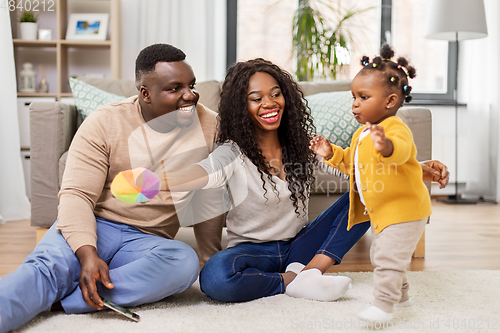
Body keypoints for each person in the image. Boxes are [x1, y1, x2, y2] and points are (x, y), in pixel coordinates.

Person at [160, 58, 449, 304]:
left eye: (275, 94)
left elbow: (359, 168)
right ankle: (293, 280)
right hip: (251, 252)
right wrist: (157, 181)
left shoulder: (302, 146)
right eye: (256, 98)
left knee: (367, 190)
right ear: (240, 106)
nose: (269, 103)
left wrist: (420, 168)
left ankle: (313, 270)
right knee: (215, 277)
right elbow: (202, 173)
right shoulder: (232, 152)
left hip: (300, 245)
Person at [0, 43, 224, 333]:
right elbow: (76, 195)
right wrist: (87, 253)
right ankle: (53, 286)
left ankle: (66, 299)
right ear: (145, 93)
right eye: (175, 88)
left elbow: (209, 192)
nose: (189, 96)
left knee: (183, 262)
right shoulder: (105, 122)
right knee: (45, 271)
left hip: (147, 240)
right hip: (96, 224)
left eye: (191, 85)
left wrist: (209, 258)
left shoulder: (210, 126)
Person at [310, 44, 431, 323]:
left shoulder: (394, 129)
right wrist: (331, 154)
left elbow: (401, 151)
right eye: (353, 97)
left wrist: (386, 146)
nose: (355, 104)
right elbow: (352, 166)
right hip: (384, 212)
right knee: (381, 255)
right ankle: (401, 298)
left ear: (389, 102)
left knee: (388, 257)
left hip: (406, 211)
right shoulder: (362, 133)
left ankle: (383, 306)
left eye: (363, 97)